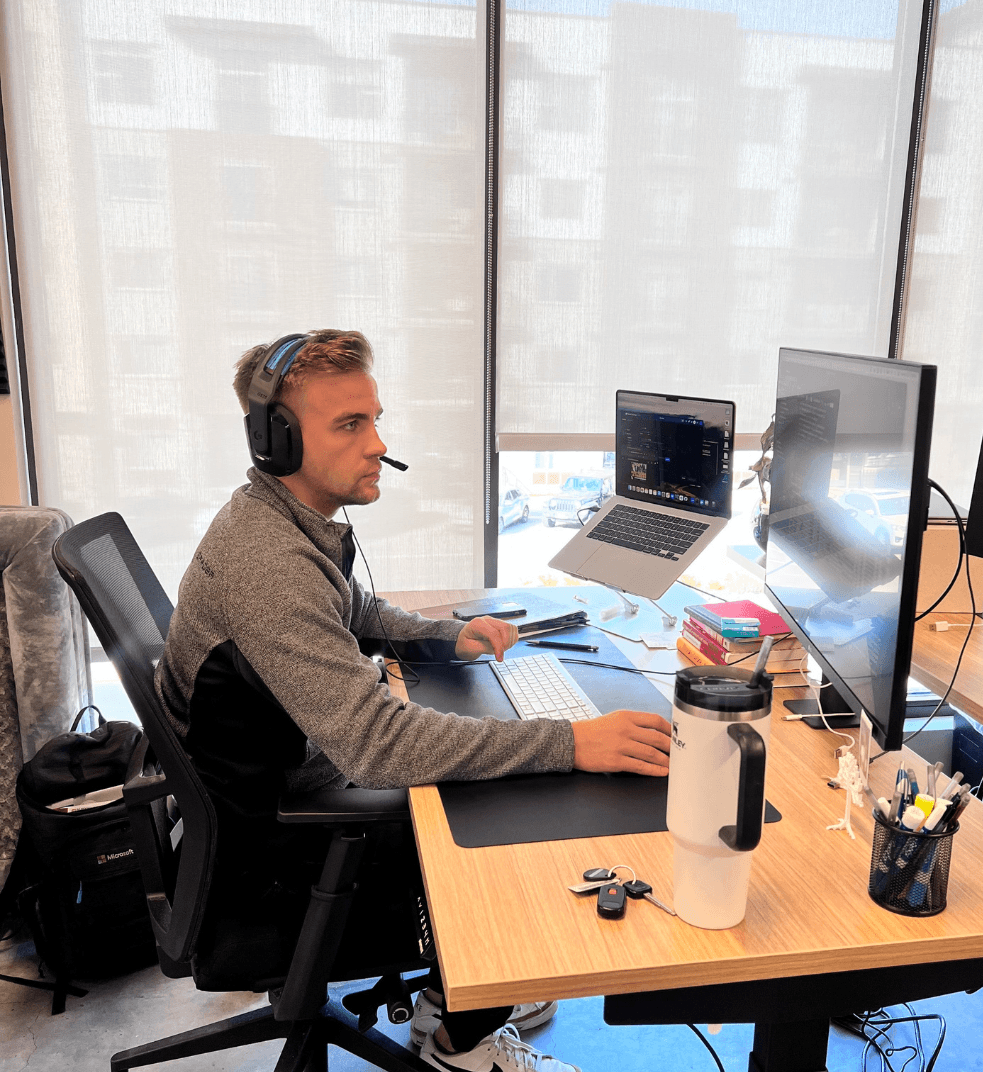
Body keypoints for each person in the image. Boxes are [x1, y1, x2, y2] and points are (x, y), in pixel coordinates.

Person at [156, 329, 671, 1072]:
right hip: (276, 842)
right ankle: (461, 1046)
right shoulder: (267, 563)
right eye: (349, 425)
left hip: (277, 786)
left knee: (496, 755)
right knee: (520, 817)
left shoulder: (281, 520)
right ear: (277, 441)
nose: (377, 444)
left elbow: (353, 612)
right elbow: (377, 746)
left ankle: (453, 995)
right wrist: (571, 741)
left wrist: (443, 638)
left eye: (374, 419)